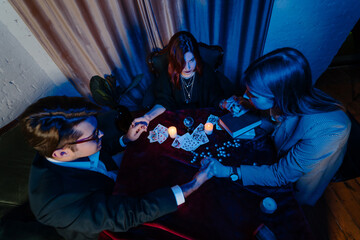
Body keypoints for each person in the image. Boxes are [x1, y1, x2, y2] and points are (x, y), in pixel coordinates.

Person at [19, 96, 213, 240]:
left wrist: (125, 139)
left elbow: (98, 149)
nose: (102, 134)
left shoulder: (58, 145)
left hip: (117, 184)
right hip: (109, 225)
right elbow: (129, 214)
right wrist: (192, 186)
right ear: (62, 154)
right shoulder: (54, 205)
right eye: (95, 135)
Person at [203, 47, 351, 206]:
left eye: (253, 94)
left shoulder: (328, 130)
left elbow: (280, 175)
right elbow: (274, 117)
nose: (245, 94)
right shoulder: (289, 94)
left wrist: (228, 171)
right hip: (277, 157)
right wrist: (245, 104)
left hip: (297, 183)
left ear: (279, 97)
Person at [133, 31, 224, 126]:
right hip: (177, 121)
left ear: (196, 57)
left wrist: (225, 104)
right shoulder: (167, 74)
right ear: (174, 60)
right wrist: (147, 117)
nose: (188, 67)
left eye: (191, 60)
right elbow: (163, 101)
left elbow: (216, 96)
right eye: (182, 62)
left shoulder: (206, 70)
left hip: (203, 121)